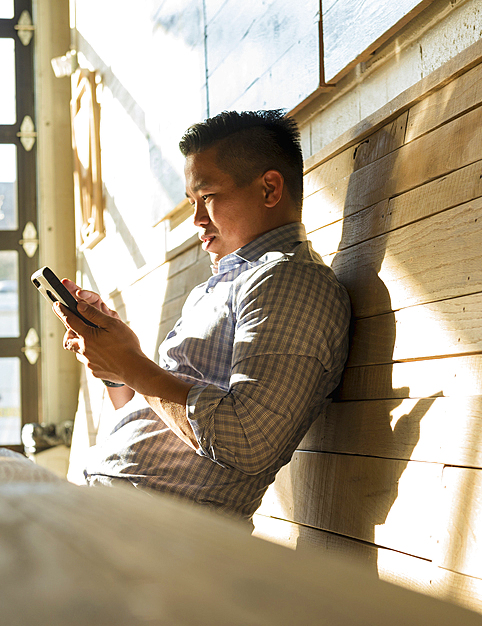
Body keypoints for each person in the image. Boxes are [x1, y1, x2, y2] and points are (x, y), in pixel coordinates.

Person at [54, 109, 351, 524]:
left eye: (207, 197)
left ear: (269, 189)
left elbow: (249, 440)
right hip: (114, 514)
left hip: (155, 533)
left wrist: (130, 364)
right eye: (192, 202)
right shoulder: (221, 285)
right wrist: (115, 366)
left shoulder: (289, 279)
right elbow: (162, 420)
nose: (196, 220)